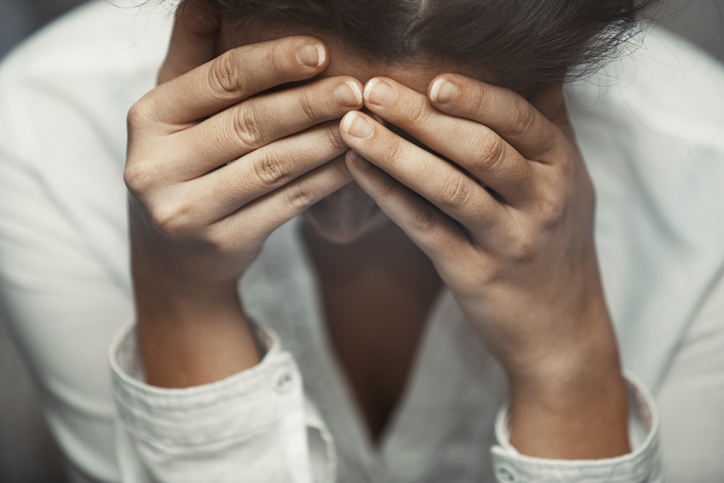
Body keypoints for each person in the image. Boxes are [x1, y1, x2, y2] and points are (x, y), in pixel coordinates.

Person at [0, 0, 723, 481]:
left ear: (556, 78)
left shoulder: (704, 193)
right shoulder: (40, 144)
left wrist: (571, 368)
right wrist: (179, 304)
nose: (340, 220)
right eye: (288, 124)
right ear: (208, 18)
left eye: (433, 158)